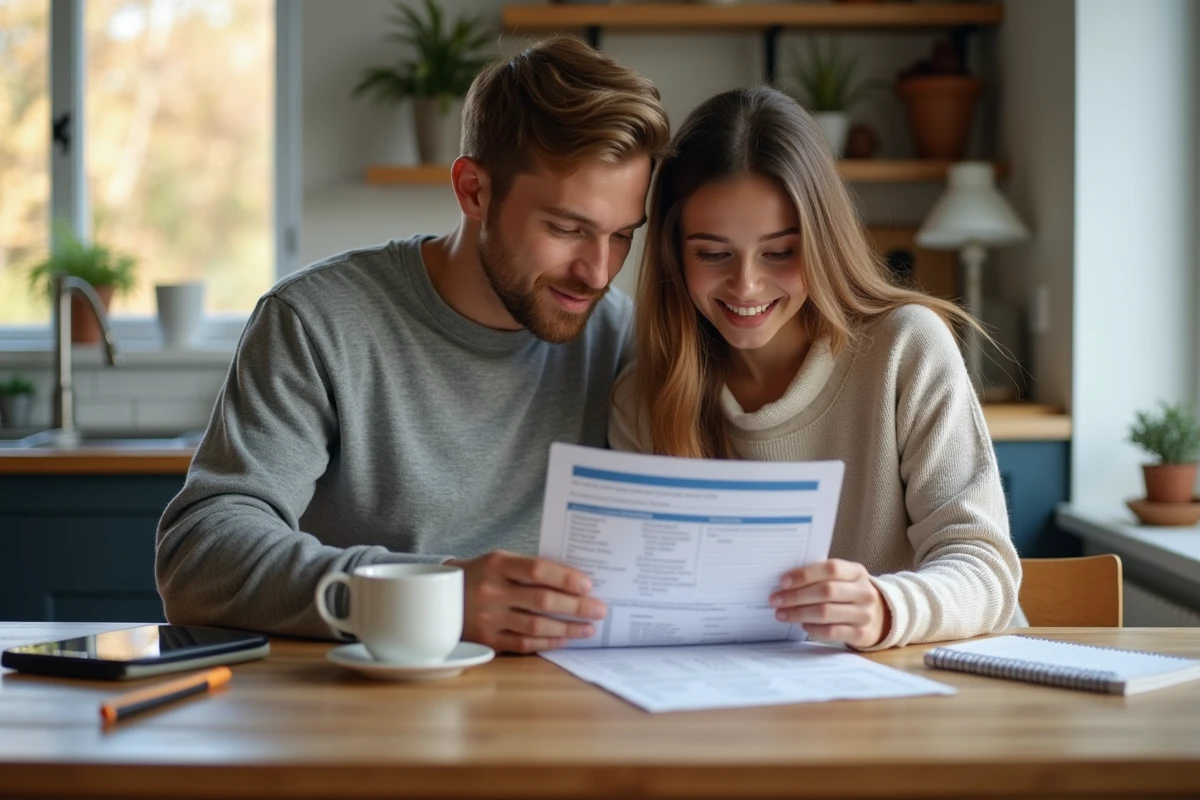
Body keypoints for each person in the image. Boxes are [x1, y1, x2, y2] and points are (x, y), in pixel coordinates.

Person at [156, 36, 672, 653]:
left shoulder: (616, 334)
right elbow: (200, 556)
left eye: (621, 237)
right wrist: (427, 593)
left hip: (556, 707)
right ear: (473, 191)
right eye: (567, 229)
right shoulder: (318, 320)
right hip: (364, 704)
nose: (597, 271)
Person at [610, 86, 1022, 651]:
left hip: (924, 700)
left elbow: (986, 570)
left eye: (780, 252)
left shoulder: (906, 348)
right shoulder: (644, 396)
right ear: (673, 252)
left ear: (823, 241)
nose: (747, 285)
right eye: (712, 253)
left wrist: (883, 607)